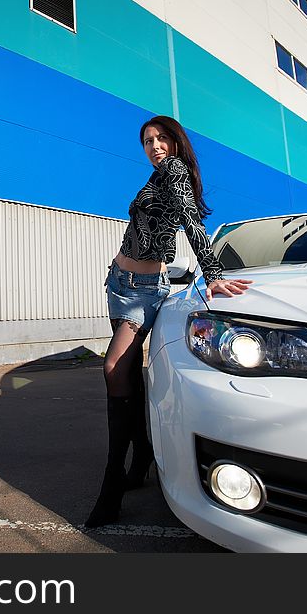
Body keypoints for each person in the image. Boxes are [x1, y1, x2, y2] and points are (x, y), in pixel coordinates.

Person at [85, 115, 253, 527]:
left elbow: (194, 224)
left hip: (144, 289)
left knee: (112, 370)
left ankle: (112, 484)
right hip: (120, 284)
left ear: (176, 142)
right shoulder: (156, 177)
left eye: (161, 138)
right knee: (126, 375)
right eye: (147, 141)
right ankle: (139, 457)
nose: (154, 146)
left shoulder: (175, 171)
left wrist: (213, 273)